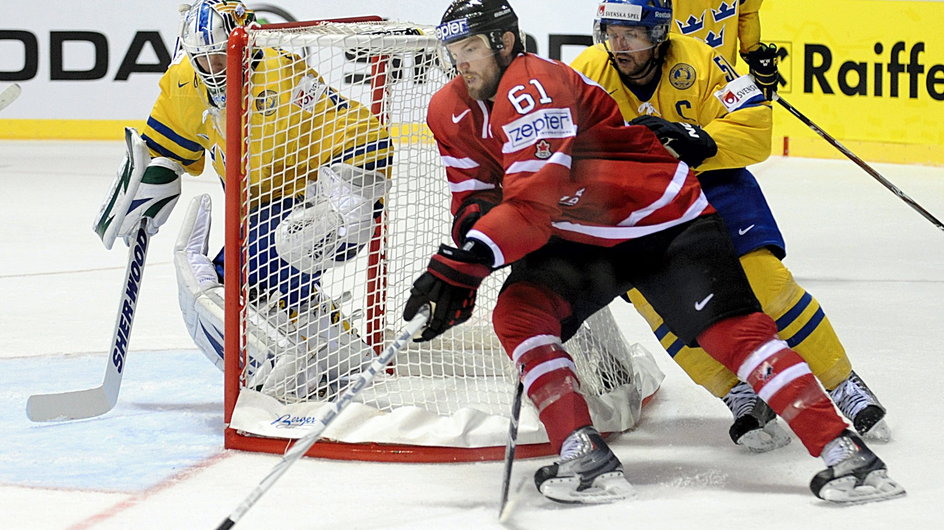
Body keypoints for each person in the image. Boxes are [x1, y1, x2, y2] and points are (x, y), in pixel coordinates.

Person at [404, 0, 904, 506]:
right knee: (519, 315)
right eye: (453, 50)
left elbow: (534, 196)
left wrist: (466, 263)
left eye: (470, 48)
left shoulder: (536, 85)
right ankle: (585, 456)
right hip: (585, 238)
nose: (460, 61)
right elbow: (474, 196)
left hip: (664, 220)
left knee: (734, 326)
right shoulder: (449, 108)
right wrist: (467, 254)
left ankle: (847, 453)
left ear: (504, 42)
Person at [569, 0, 889, 452]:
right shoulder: (585, 73)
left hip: (710, 182)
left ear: (659, 35)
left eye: (634, 34)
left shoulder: (699, 60)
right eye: (611, 32)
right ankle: (738, 393)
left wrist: (703, 139)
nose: (620, 45)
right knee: (656, 300)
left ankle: (842, 384)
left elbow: (757, 124)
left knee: (764, 281)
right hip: (637, 201)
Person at [91, 0, 392, 402]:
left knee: (213, 283)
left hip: (314, 217)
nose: (214, 69)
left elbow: (359, 130)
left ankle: (276, 371)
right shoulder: (185, 83)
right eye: (204, 59)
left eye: (220, 56)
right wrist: (139, 194)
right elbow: (163, 150)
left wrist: (351, 200)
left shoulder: (283, 75)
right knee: (266, 293)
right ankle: (342, 359)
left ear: (245, 41)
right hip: (258, 217)